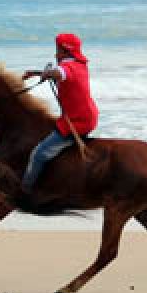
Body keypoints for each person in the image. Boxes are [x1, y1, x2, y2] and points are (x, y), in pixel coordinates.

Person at [20, 33, 98, 193]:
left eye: (57, 50)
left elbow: (59, 73)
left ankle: (25, 191)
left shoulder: (69, 68)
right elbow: (60, 74)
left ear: (65, 51)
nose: (55, 54)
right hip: (87, 116)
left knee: (39, 153)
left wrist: (47, 73)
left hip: (77, 121)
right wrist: (36, 73)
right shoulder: (80, 65)